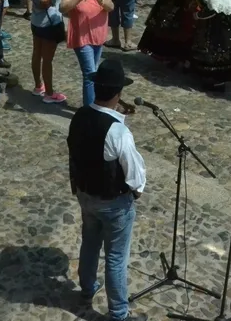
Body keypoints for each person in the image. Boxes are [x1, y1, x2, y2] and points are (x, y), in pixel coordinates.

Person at [67, 59, 145, 321]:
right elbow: (134, 173)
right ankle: (119, 314)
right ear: (117, 94)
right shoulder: (117, 131)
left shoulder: (79, 116)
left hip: (85, 194)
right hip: (113, 202)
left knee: (90, 242)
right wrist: (137, 191)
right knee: (116, 258)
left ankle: (88, 287)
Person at [61, 0, 114, 107]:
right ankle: (90, 109)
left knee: (94, 73)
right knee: (90, 74)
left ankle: (93, 104)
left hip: (98, 37)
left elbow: (111, 7)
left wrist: (102, 1)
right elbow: (62, 7)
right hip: (82, 38)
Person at [29, 0, 67, 104]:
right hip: (49, 24)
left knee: (36, 54)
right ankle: (50, 93)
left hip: (36, 22)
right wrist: (48, 3)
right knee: (47, 60)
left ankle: (38, 86)